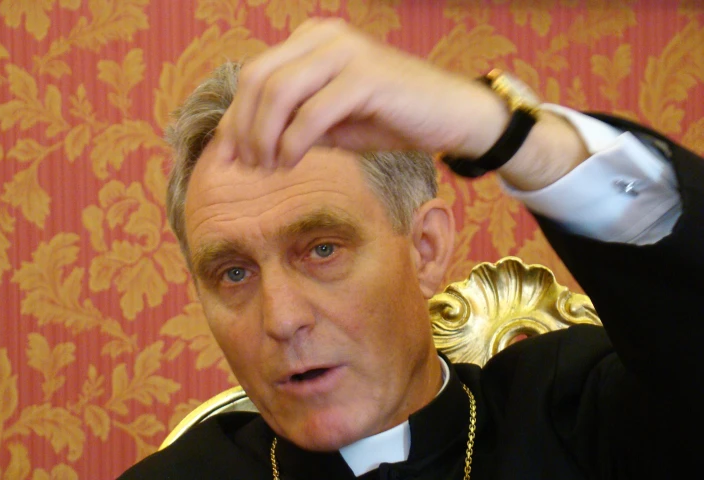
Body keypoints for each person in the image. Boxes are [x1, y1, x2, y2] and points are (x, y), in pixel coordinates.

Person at [117, 19, 702, 479]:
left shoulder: (585, 413)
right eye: (234, 273)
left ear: (426, 248)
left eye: (322, 250)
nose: (282, 319)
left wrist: (500, 130)